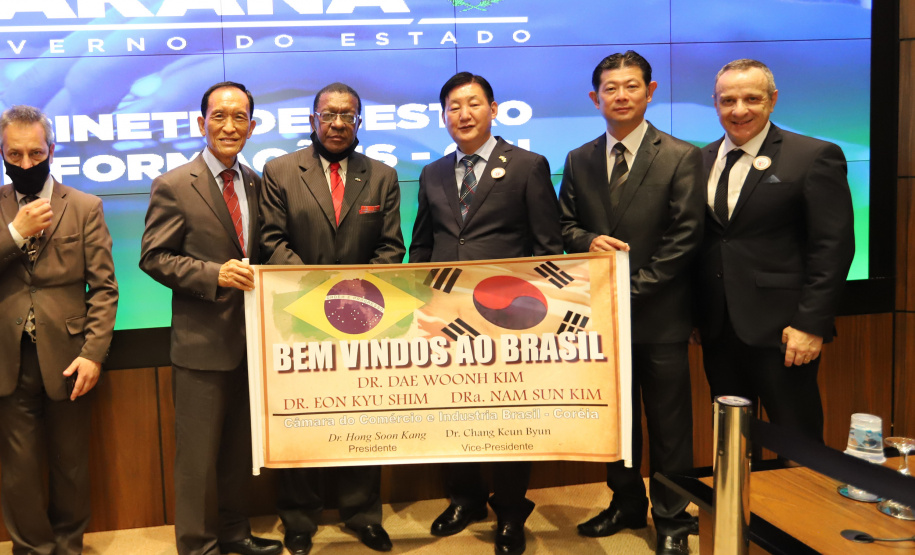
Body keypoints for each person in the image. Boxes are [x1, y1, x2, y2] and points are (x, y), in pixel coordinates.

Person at [410, 72, 562, 555]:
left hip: (510, 318)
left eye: (473, 104)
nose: (464, 114)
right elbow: (422, 244)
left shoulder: (527, 165)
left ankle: (511, 510)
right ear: (443, 116)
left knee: (507, 416)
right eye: (454, 107)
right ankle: (466, 498)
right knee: (453, 411)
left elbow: (547, 248)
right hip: (447, 318)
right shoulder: (432, 173)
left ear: (493, 110)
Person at [558, 51, 703, 555]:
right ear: (595, 98)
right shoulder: (578, 158)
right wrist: (586, 240)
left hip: (660, 314)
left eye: (631, 86)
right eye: (611, 89)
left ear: (651, 90)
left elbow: (686, 237)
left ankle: (672, 517)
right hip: (603, 320)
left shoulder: (683, 155)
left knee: (669, 426)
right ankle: (625, 502)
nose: (621, 96)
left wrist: (633, 287)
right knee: (615, 422)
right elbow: (564, 227)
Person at [259, 82, 405, 555]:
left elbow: (390, 248)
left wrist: (354, 300)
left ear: (359, 121)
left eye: (348, 115)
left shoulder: (381, 176)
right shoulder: (280, 171)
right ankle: (299, 520)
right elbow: (272, 242)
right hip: (297, 319)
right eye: (328, 115)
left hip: (364, 320)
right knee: (301, 418)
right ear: (312, 120)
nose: (338, 123)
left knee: (362, 419)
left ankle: (362, 514)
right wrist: (321, 299)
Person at [140, 82, 283, 555]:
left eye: (239, 117)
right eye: (219, 117)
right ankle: (198, 546)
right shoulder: (175, 184)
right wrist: (212, 274)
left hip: (252, 343)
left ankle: (234, 534)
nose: (229, 126)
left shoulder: (260, 183)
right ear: (201, 124)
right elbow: (154, 257)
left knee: (237, 453)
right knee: (198, 460)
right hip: (201, 345)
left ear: (252, 126)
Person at [693, 59, 855, 443]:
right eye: (727, 100)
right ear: (714, 103)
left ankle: (802, 506)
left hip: (786, 333)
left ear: (773, 100)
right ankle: (738, 506)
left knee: (796, 442)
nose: (739, 110)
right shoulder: (698, 160)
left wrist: (810, 325)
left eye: (751, 98)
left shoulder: (813, 155)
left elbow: (833, 247)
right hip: (718, 331)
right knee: (732, 441)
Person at [0, 104, 118, 555]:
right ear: (3, 153)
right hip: (9, 358)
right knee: (20, 468)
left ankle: (68, 547)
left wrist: (93, 353)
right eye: (15, 155)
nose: (26, 164)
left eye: (35, 153)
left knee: (71, 465)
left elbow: (105, 288)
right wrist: (14, 233)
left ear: (51, 149)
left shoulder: (85, 206)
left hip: (70, 357)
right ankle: (32, 550)